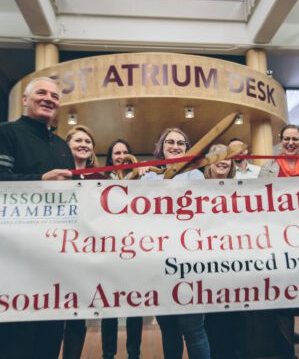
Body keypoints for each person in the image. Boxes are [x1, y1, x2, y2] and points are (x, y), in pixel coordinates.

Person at [0, 76, 75, 359]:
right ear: (25, 99)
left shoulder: (61, 146)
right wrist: (40, 180)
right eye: (42, 93)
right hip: (14, 260)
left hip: (55, 259)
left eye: (55, 96)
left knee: (48, 341)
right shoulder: (3, 133)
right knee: (15, 343)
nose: (49, 99)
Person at [142, 127, 210, 359]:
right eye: (170, 142)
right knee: (168, 329)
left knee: (194, 330)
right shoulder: (149, 176)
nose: (175, 146)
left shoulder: (196, 175)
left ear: (187, 149)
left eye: (181, 143)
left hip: (188, 263)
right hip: (158, 264)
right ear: (161, 147)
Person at [259, 124, 299, 359]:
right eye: (286, 139)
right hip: (278, 242)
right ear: (280, 141)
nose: (290, 143)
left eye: (295, 139)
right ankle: (287, 353)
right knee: (284, 298)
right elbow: (257, 203)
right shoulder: (267, 169)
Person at [62, 124, 103, 359]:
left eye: (88, 142)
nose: (83, 145)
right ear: (67, 145)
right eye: (78, 140)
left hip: (86, 257)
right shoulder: (56, 173)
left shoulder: (101, 178)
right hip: (57, 253)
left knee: (77, 318)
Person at [101, 138, 143, 359]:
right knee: (108, 308)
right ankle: (108, 353)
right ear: (110, 158)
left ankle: (133, 353)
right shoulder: (100, 181)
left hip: (135, 252)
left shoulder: (141, 181)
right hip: (109, 253)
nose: (121, 156)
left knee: (134, 308)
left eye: (125, 152)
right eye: (116, 153)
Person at [202, 144, 241, 359]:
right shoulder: (196, 188)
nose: (222, 160)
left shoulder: (243, 190)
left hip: (235, 268)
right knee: (212, 325)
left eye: (228, 156)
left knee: (235, 326)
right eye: (217, 156)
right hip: (207, 269)